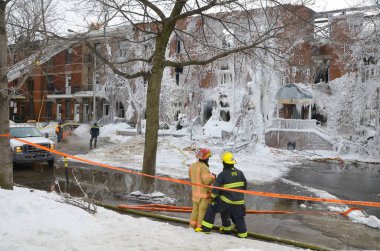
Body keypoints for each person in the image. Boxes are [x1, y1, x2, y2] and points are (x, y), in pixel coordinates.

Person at [201, 152, 248, 238]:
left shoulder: (222, 175)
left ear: (224, 163)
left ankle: (205, 229)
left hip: (227, 201)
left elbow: (216, 190)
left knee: (212, 208)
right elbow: (245, 187)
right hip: (239, 202)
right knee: (239, 218)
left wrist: (213, 199)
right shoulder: (240, 173)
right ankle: (242, 235)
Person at [188, 148, 216, 232]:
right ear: (206, 158)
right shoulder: (204, 167)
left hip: (195, 194)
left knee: (195, 211)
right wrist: (213, 176)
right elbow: (206, 181)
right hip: (203, 195)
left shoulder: (192, 165)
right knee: (202, 212)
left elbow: (190, 176)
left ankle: (192, 226)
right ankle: (199, 228)